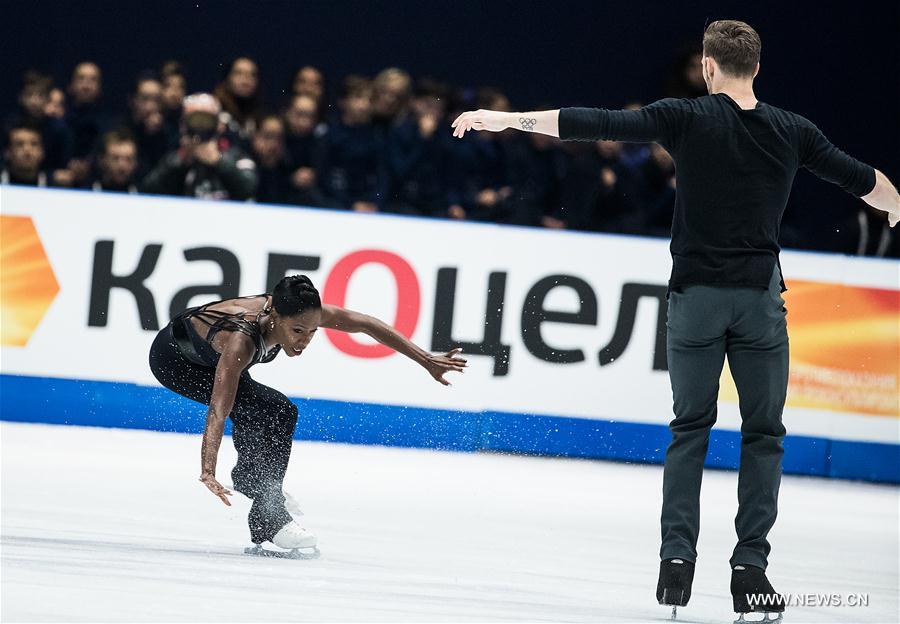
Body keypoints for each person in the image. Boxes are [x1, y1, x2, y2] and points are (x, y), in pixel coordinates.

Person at [450, 19, 899, 621]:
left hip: (695, 299)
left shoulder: (685, 116)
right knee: (763, 434)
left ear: (709, 66)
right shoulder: (795, 131)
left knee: (690, 428)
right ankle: (751, 571)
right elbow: (872, 185)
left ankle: (676, 564)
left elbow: (596, 122)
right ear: (757, 69)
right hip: (759, 302)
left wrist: (508, 119)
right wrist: (895, 207)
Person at [148, 275, 467, 552]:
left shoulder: (297, 311)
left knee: (267, 410)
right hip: (177, 362)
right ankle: (269, 516)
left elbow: (366, 324)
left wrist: (426, 360)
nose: (304, 340)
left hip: (205, 351)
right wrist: (207, 469)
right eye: (298, 330)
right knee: (274, 409)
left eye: (313, 331)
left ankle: (253, 480)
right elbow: (220, 409)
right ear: (275, 317)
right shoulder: (240, 343)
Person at [141, 93, 257, 201]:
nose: (200, 128)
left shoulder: (236, 156)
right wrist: (181, 163)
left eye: (206, 121)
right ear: (183, 126)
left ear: (220, 126)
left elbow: (249, 189)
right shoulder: (173, 160)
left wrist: (218, 161)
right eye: (194, 121)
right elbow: (147, 192)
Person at [2, 122, 47, 186]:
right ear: (7, 153)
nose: (27, 150)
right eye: (19, 144)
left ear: (42, 151)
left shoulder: (56, 187)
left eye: (34, 144)